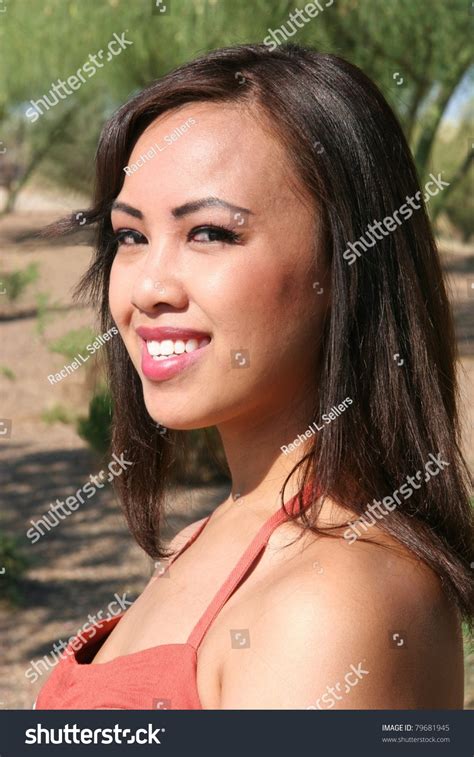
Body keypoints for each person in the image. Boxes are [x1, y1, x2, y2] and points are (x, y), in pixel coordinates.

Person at [36, 42, 473, 710]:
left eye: (209, 232)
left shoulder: (330, 603)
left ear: (346, 260)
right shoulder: (206, 537)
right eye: (130, 236)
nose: (148, 286)